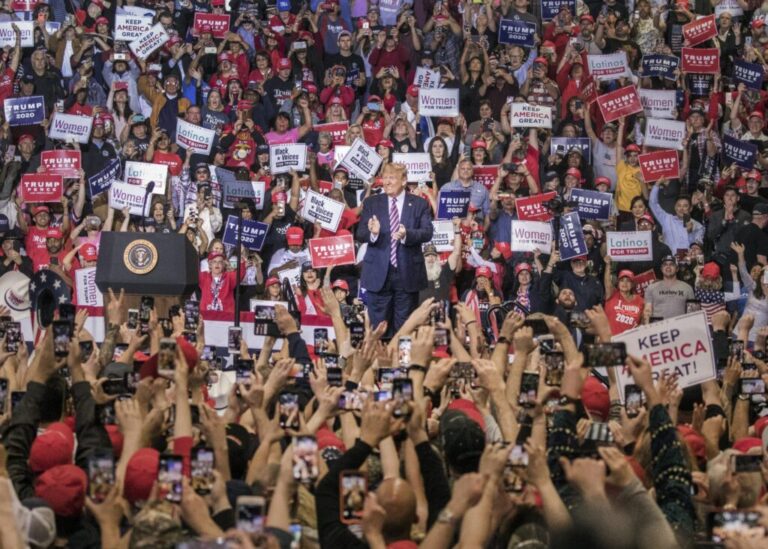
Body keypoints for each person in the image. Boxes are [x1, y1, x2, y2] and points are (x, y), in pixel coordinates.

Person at [356, 163, 433, 333]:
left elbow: (427, 233)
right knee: (378, 329)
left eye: (392, 178)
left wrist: (407, 235)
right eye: (385, 177)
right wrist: (373, 234)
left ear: (404, 180)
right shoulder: (371, 203)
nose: (387, 182)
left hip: (407, 274)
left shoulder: (419, 204)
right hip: (378, 273)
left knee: (405, 329)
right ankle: (378, 360)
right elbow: (360, 233)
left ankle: (403, 360)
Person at [644, 255, 694, 319]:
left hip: (680, 327)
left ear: (677, 269)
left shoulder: (687, 288)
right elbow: (647, 311)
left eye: (671, 264)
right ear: (661, 269)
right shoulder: (651, 288)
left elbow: (693, 312)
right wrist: (647, 327)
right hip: (658, 327)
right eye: (665, 264)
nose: (668, 267)